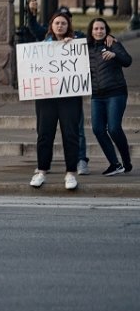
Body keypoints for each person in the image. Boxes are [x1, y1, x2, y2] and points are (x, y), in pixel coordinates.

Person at [31, 12, 84, 190]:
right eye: (56, 23)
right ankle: (42, 171)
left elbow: (92, 42)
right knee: (45, 134)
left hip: (69, 97)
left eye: (63, 23)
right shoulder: (43, 44)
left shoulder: (77, 43)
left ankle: (70, 173)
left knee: (70, 133)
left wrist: (72, 44)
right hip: (46, 96)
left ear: (68, 26)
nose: (60, 26)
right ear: (51, 26)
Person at [86, 18, 133, 176]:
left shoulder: (112, 43)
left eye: (102, 28)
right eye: (96, 29)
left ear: (106, 30)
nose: (99, 31)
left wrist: (114, 55)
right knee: (98, 129)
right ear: (91, 31)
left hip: (116, 92)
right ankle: (115, 164)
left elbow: (127, 61)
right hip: (97, 95)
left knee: (113, 128)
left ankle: (126, 161)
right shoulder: (86, 47)